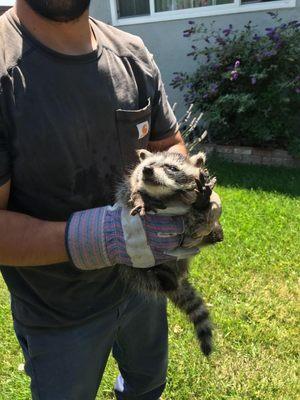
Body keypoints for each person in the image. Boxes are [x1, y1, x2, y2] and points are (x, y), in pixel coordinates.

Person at [0, 1, 221, 399]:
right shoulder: (5, 70)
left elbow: (168, 144)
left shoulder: (132, 54)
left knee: (147, 384)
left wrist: (192, 194)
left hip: (147, 283)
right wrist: (99, 237)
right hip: (59, 311)